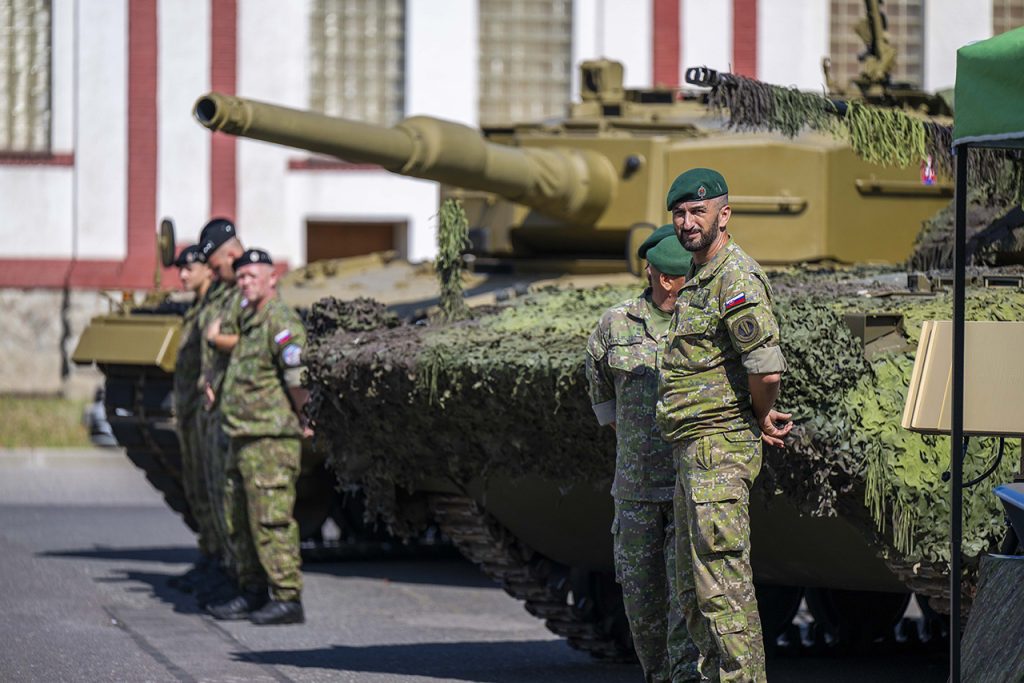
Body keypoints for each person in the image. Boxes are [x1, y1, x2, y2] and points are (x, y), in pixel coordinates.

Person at [656, 168, 792, 682]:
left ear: (723, 215)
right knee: (692, 594)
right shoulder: (698, 278)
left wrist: (762, 415)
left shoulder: (734, 277)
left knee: (723, 592)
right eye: (680, 213)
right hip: (692, 451)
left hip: (720, 449)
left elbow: (766, 367)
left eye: (698, 211)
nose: (688, 222)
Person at [586, 225, 700, 683]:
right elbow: (603, 396)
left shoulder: (703, 322)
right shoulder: (616, 325)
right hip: (635, 493)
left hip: (689, 486)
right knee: (642, 602)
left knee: (687, 602)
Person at [207, 248, 309, 625]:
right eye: (242, 276)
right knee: (238, 519)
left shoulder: (279, 321)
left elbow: (297, 375)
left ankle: (287, 597)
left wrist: (306, 416)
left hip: (269, 438)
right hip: (241, 434)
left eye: (253, 276)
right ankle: (251, 590)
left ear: (272, 279)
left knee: (271, 519)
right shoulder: (249, 320)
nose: (245, 282)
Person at [193, 217, 245, 606]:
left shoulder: (247, 291)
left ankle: (244, 577)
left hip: (241, 410)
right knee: (217, 492)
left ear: (231, 253)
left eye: (215, 266)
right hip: (218, 407)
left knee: (235, 498)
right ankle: (224, 567)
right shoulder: (226, 291)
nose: (213, 273)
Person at [168, 244, 221, 592]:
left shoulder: (217, 307)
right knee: (198, 489)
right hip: (190, 413)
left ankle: (222, 564)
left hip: (208, 413)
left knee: (214, 489)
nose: (183, 275)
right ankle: (210, 557)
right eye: (180, 268)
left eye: (190, 267)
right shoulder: (197, 309)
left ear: (208, 269)